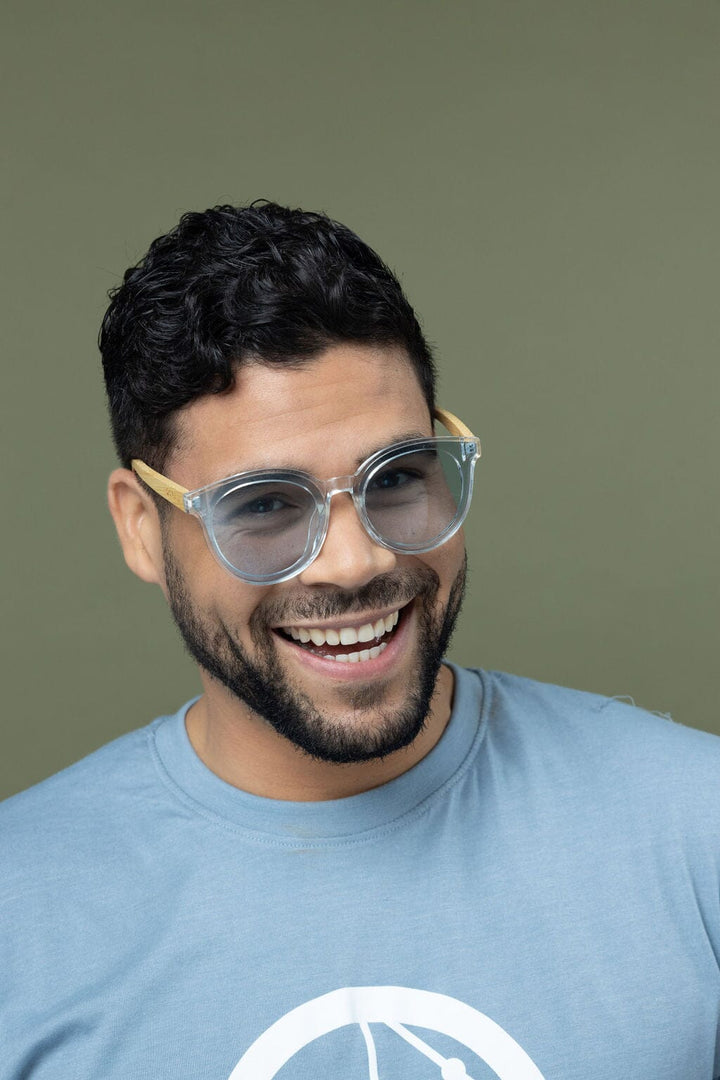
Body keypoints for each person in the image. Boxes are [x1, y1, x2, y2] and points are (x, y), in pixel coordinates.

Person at [1, 202, 718, 1080]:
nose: (354, 561)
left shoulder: (695, 827)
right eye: (265, 504)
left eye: (399, 477)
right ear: (141, 529)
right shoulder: (19, 916)